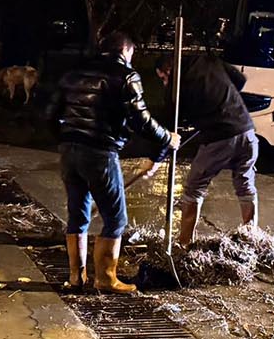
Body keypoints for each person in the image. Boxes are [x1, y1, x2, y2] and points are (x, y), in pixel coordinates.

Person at [48, 31, 180, 294]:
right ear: (126, 51)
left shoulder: (74, 73)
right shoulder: (126, 76)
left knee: (78, 214)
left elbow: (51, 114)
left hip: (68, 150)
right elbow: (141, 120)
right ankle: (106, 279)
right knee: (116, 219)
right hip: (100, 152)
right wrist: (168, 138)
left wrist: (65, 139)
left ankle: (76, 276)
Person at [153, 52, 259, 247]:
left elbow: (169, 123)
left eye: (162, 78)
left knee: (194, 188)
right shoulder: (208, 60)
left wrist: (155, 159)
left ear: (168, 70)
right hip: (246, 129)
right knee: (245, 183)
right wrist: (223, 100)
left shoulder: (177, 86)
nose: (164, 83)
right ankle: (251, 237)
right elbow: (240, 79)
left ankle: (185, 243)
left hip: (219, 137)